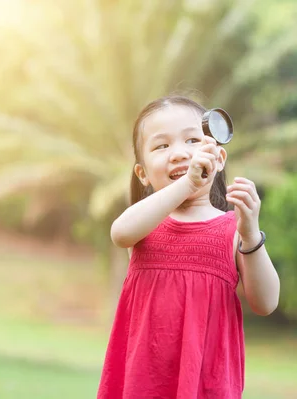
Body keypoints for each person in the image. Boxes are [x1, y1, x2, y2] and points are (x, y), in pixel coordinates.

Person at [97, 95, 280, 399]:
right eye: (162, 146)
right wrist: (187, 185)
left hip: (205, 386)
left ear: (218, 159)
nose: (180, 153)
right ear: (142, 173)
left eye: (193, 140)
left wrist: (250, 234)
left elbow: (266, 302)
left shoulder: (231, 231)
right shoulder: (145, 224)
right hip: (143, 384)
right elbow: (120, 233)